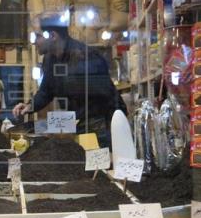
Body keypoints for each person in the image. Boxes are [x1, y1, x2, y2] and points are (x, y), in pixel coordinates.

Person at [13, 13, 127, 147]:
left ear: (53, 36)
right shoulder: (50, 60)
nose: (34, 42)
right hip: (78, 121)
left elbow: (102, 101)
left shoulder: (86, 57)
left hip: (102, 124)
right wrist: (29, 106)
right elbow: (45, 92)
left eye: (37, 36)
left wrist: (60, 125)